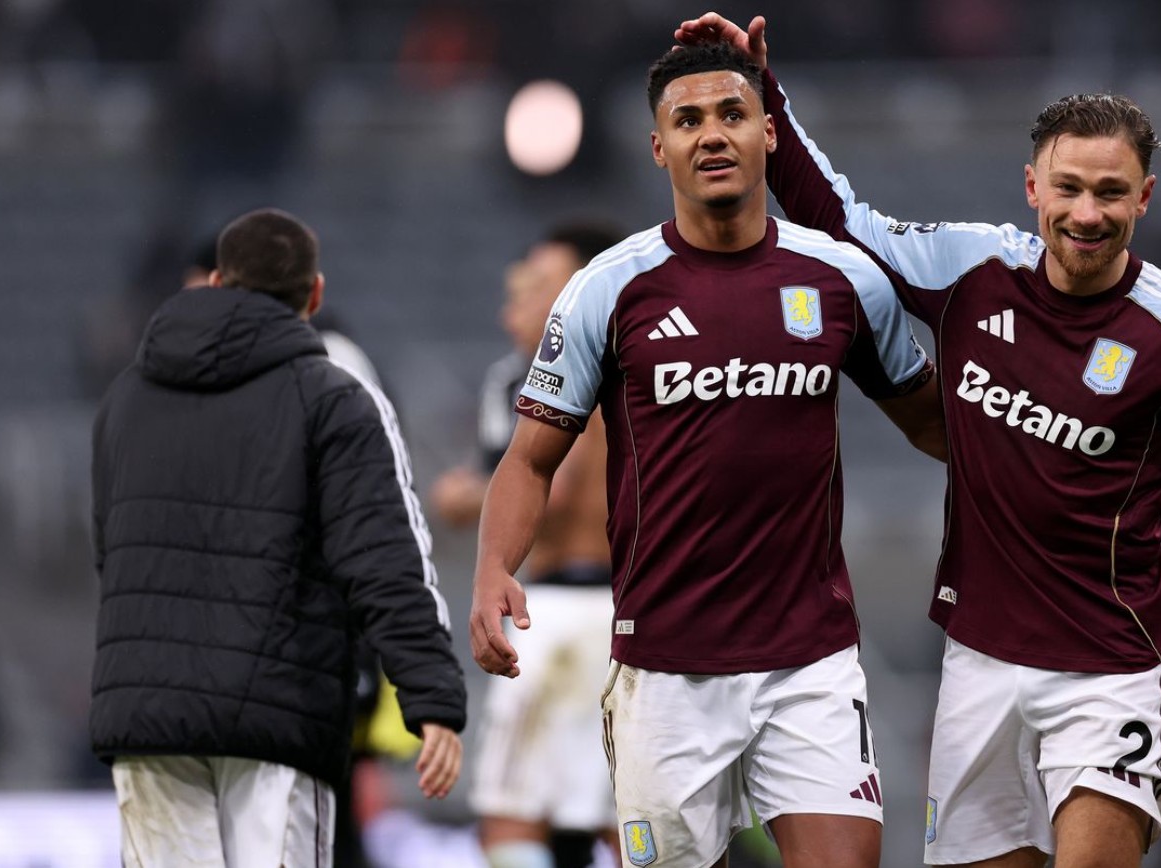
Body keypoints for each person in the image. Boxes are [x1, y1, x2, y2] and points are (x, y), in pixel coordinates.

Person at [676, 13, 1161, 868]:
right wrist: (761, 91)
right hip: (977, 667)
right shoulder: (973, 273)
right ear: (1032, 188)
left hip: (1110, 669)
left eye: (1111, 193)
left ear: (1144, 198)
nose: (1088, 213)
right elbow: (839, 219)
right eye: (1069, 188)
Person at [469, 42, 945, 868]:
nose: (711, 135)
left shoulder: (842, 280)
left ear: (768, 131)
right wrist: (490, 567)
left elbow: (935, 426)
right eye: (687, 119)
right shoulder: (609, 289)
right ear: (660, 147)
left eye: (731, 114)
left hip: (811, 658)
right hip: (665, 669)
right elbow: (529, 460)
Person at [89, 207, 467, 865]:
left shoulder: (127, 396)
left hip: (147, 709)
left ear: (215, 281)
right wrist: (431, 695)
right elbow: (383, 558)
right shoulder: (333, 395)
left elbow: (109, 551)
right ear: (314, 295)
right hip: (278, 712)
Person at [431, 222, 627, 868]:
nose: (523, 302)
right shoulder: (637, 370)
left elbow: (559, 488)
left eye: (540, 285)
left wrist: (473, 496)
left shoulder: (578, 371)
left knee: (513, 814)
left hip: (560, 613)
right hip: (620, 614)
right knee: (618, 809)